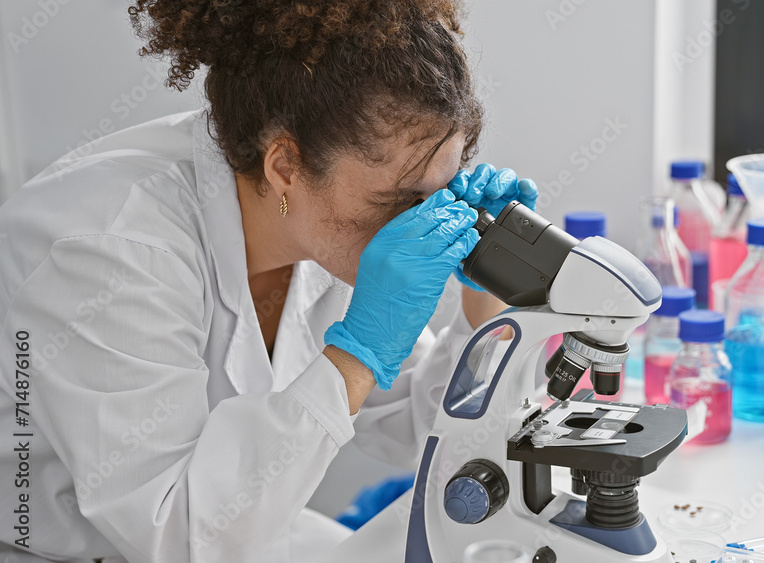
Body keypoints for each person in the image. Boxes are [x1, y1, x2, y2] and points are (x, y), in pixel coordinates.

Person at [0, 1, 537, 561]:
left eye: (442, 191)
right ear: (284, 165)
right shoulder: (109, 249)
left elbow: (413, 428)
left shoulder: (317, 222)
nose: (423, 223)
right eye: (405, 198)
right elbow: (181, 535)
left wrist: (488, 301)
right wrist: (360, 354)